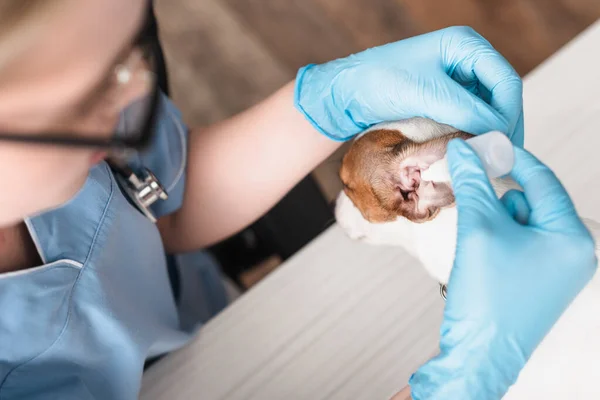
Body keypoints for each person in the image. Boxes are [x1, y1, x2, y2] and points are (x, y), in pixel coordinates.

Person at [0, 1, 594, 399]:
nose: (132, 92)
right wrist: (462, 380)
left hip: (209, 317)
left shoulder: (84, 110)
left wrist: (332, 100)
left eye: (133, 48)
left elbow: (155, 203)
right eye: (78, 103)